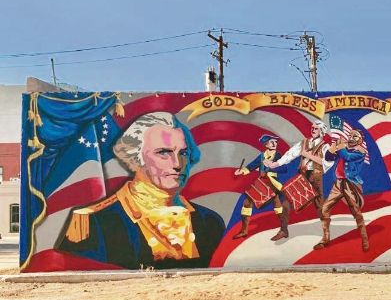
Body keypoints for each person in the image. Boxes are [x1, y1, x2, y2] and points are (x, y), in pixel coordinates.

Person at [56, 111, 224, 269]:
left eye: (184, 153)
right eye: (163, 153)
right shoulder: (96, 222)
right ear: (135, 157)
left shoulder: (210, 221)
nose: (177, 164)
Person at [314, 129, 369, 251]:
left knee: (356, 211)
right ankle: (325, 239)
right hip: (338, 184)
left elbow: (347, 157)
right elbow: (328, 157)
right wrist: (333, 148)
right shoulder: (344, 148)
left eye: (355, 136)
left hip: (351, 183)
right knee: (324, 209)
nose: (351, 137)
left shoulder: (360, 151)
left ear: (360, 140)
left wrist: (339, 147)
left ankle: (364, 239)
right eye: (350, 135)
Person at [265, 120, 333, 218]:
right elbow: (290, 154)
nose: (313, 130)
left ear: (321, 131)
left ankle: (325, 224)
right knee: (290, 198)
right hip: (302, 174)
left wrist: (308, 155)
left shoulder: (325, 146)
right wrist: (276, 164)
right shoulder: (304, 143)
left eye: (316, 128)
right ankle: (284, 225)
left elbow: (327, 162)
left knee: (319, 203)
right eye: (312, 128)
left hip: (315, 176)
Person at [233, 134, 290, 241]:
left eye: (275, 142)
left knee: (277, 204)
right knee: (247, 202)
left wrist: (271, 165)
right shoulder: (262, 156)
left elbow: (284, 168)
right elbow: (251, 166)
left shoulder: (278, 155)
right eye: (271, 142)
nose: (274, 143)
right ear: (266, 144)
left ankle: (284, 230)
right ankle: (244, 230)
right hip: (262, 182)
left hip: (272, 182)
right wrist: (242, 171)